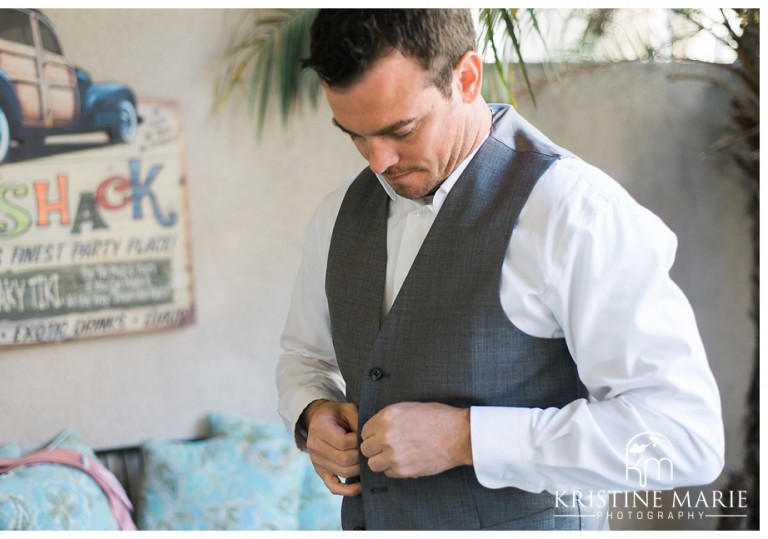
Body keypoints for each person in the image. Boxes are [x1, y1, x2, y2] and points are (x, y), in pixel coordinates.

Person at [276, 8, 724, 531]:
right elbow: (304, 356)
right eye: (354, 134)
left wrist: (467, 438)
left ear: (466, 78)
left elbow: (683, 437)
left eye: (402, 129)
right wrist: (312, 412)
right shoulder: (338, 212)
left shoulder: (574, 211)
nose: (378, 161)